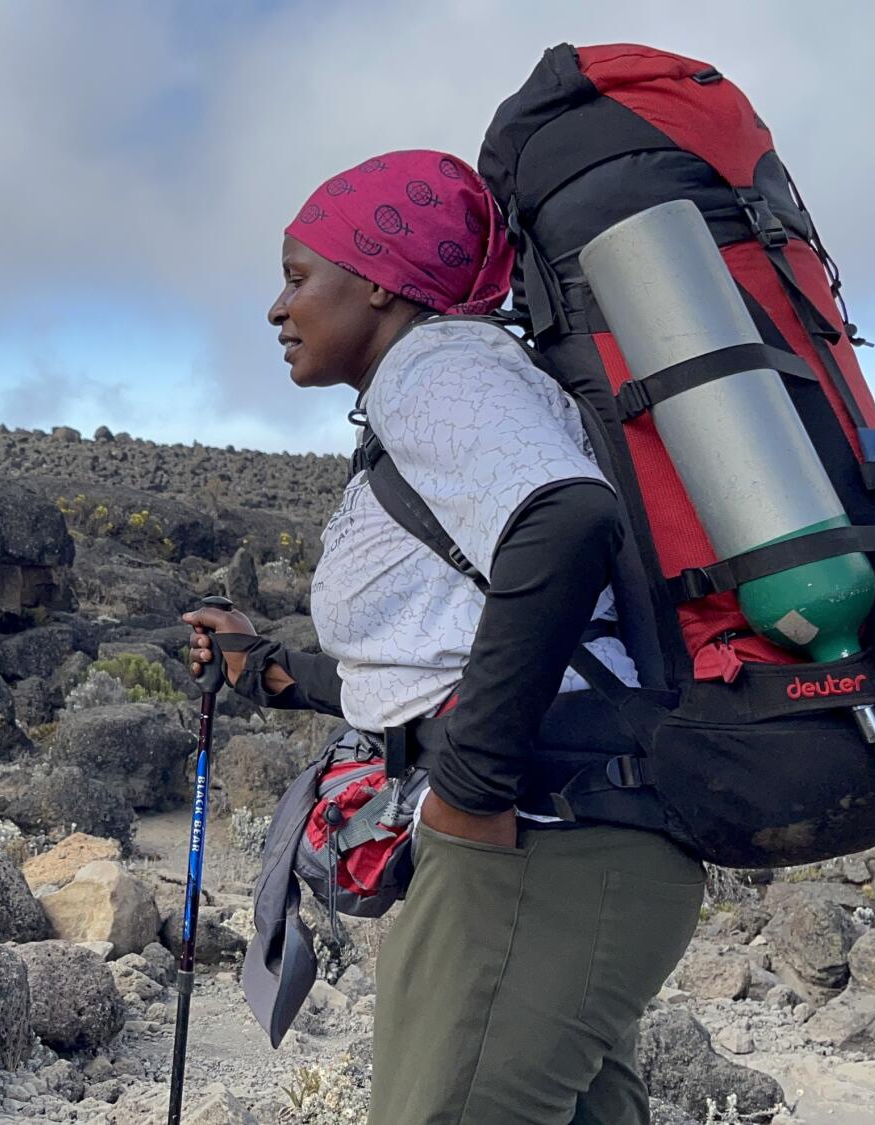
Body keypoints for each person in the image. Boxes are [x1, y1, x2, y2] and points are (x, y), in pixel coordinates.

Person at [184, 150, 705, 1125]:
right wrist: (275, 672)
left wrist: (469, 790)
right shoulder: (432, 393)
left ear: (379, 280)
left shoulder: (435, 366)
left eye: (298, 276)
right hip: (575, 848)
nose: (275, 307)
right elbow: (442, 652)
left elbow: (564, 520)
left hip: (532, 850)